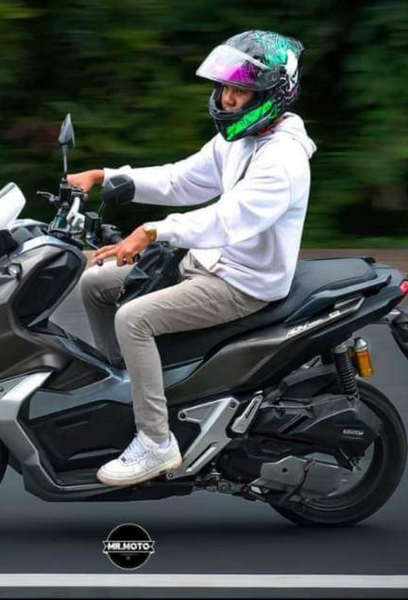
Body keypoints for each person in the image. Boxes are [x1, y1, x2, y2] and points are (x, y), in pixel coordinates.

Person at [67, 30, 317, 487]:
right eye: (224, 87)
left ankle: (155, 441)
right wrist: (106, 176)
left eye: (239, 90)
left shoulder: (283, 161)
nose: (227, 98)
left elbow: (228, 219)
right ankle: (133, 390)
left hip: (241, 283)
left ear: (270, 95)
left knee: (133, 319)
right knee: (96, 282)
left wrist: (152, 231)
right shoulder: (240, 140)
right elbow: (181, 179)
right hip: (206, 262)